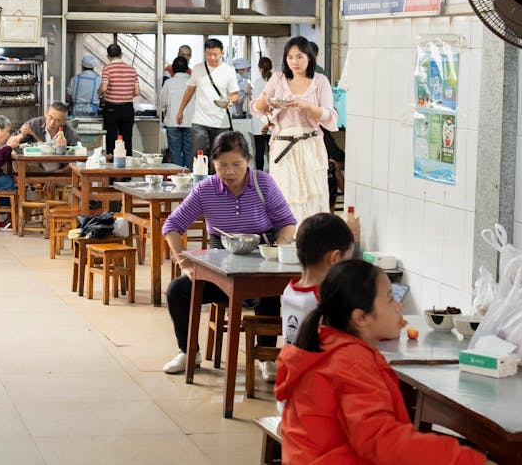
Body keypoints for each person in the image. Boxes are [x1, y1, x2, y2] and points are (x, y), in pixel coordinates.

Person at [275, 260, 487, 464]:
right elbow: (381, 441)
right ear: (361, 318)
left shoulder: (329, 344)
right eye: (390, 299)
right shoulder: (350, 361)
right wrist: (466, 460)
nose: (399, 305)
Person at [162, 132, 297, 375]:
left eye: (236, 164)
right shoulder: (205, 189)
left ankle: (266, 356)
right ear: (213, 164)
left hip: (260, 266)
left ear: (248, 160)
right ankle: (188, 352)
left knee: (270, 293)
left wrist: (275, 250)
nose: (230, 172)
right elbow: (172, 226)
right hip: (220, 272)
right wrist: (184, 262)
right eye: (222, 165)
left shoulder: (262, 183)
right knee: (177, 291)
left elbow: (287, 223)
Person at [250, 37, 338, 221]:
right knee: (285, 193)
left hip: (311, 145)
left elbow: (330, 116)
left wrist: (307, 106)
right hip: (284, 147)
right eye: (290, 57)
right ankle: (286, 243)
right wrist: (265, 102)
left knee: (313, 193)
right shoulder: (278, 78)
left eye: (299, 57)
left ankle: (313, 241)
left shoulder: (320, 81)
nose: (294, 62)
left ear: (309, 58)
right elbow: (257, 108)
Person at [281, 213, 355, 346]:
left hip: (291, 364)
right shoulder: (325, 299)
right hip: (319, 366)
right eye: (347, 260)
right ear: (335, 258)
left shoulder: (289, 290)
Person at [176, 38, 239, 166]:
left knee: (219, 158)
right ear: (204, 52)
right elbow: (189, 90)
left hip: (221, 122)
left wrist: (229, 101)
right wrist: (180, 110)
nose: (212, 57)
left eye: (215, 54)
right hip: (200, 121)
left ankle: (216, 184)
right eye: (209, 54)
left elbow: (235, 95)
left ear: (222, 53)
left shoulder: (228, 70)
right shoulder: (198, 69)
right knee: (198, 157)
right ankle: (199, 184)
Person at [99, 43, 139, 155]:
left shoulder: (107, 68)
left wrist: (100, 93)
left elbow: (104, 87)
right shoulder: (132, 69)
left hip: (111, 108)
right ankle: (127, 165)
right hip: (127, 108)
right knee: (127, 139)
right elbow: (137, 92)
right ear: (121, 55)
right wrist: (125, 95)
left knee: (112, 138)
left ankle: (112, 166)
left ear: (108, 56)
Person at [160, 56, 193, 167]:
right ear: (187, 68)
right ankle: (190, 179)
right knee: (189, 153)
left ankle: (177, 179)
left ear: (173, 69)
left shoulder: (168, 83)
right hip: (191, 122)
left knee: (175, 153)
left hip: (173, 122)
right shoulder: (194, 83)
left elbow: (162, 103)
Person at [251, 57, 273, 171]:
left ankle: (259, 178)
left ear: (259, 68)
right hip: (271, 121)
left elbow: (255, 103)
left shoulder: (257, 83)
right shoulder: (275, 82)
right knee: (272, 151)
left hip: (259, 122)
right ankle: (274, 177)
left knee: (259, 152)